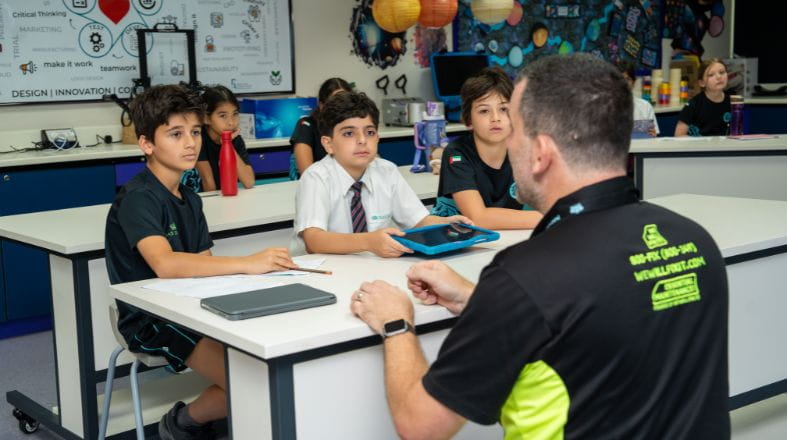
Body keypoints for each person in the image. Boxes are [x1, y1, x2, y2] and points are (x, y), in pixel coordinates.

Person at [350, 54, 729, 439]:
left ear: (541, 152)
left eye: (515, 128)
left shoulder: (526, 276)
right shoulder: (694, 242)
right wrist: (480, 300)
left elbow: (419, 426)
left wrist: (396, 322)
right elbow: (600, 320)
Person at [105, 84, 296, 440]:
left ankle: (198, 420)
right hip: (152, 319)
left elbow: (203, 265)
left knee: (269, 359)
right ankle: (181, 423)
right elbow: (165, 264)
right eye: (175, 134)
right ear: (147, 144)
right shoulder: (137, 198)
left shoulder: (190, 199)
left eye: (194, 132)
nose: (190, 143)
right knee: (252, 378)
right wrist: (247, 263)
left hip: (189, 306)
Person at [291, 91, 470, 257]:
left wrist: (446, 223)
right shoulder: (317, 177)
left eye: (369, 132)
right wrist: (368, 241)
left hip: (372, 266)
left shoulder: (386, 171)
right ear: (328, 144)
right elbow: (313, 240)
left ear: (377, 137)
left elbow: (418, 221)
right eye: (348, 133)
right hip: (324, 271)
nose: (362, 140)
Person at [431, 67, 541, 230]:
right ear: (468, 120)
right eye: (484, 111)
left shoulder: (522, 151)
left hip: (506, 237)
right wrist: (548, 216)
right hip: (458, 241)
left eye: (504, 109)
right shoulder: (457, 153)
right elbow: (478, 218)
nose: (495, 118)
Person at [289, 77, 353, 179]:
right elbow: (308, 175)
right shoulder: (306, 125)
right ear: (321, 105)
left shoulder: (355, 127)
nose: (342, 108)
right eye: (335, 103)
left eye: (346, 103)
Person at [195, 85, 256, 191]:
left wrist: (227, 144)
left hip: (224, 196)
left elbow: (249, 181)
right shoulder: (199, 139)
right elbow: (208, 183)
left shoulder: (236, 139)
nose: (231, 122)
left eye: (235, 114)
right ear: (206, 118)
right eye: (223, 116)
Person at [675, 58, 731, 136]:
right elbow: (679, 135)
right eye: (711, 75)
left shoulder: (733, 103)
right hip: (699, 147)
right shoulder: (694, 105)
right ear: (702, 83)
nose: (719, 77)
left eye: (722, 72)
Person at [618, 60, 660, 137]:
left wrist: (653, 136)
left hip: (641, 148)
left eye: (627, 79)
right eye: (619, 79)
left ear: (633, 82)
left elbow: (653, 136)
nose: (623, 84)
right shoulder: (605, 108)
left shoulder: (645, 107)